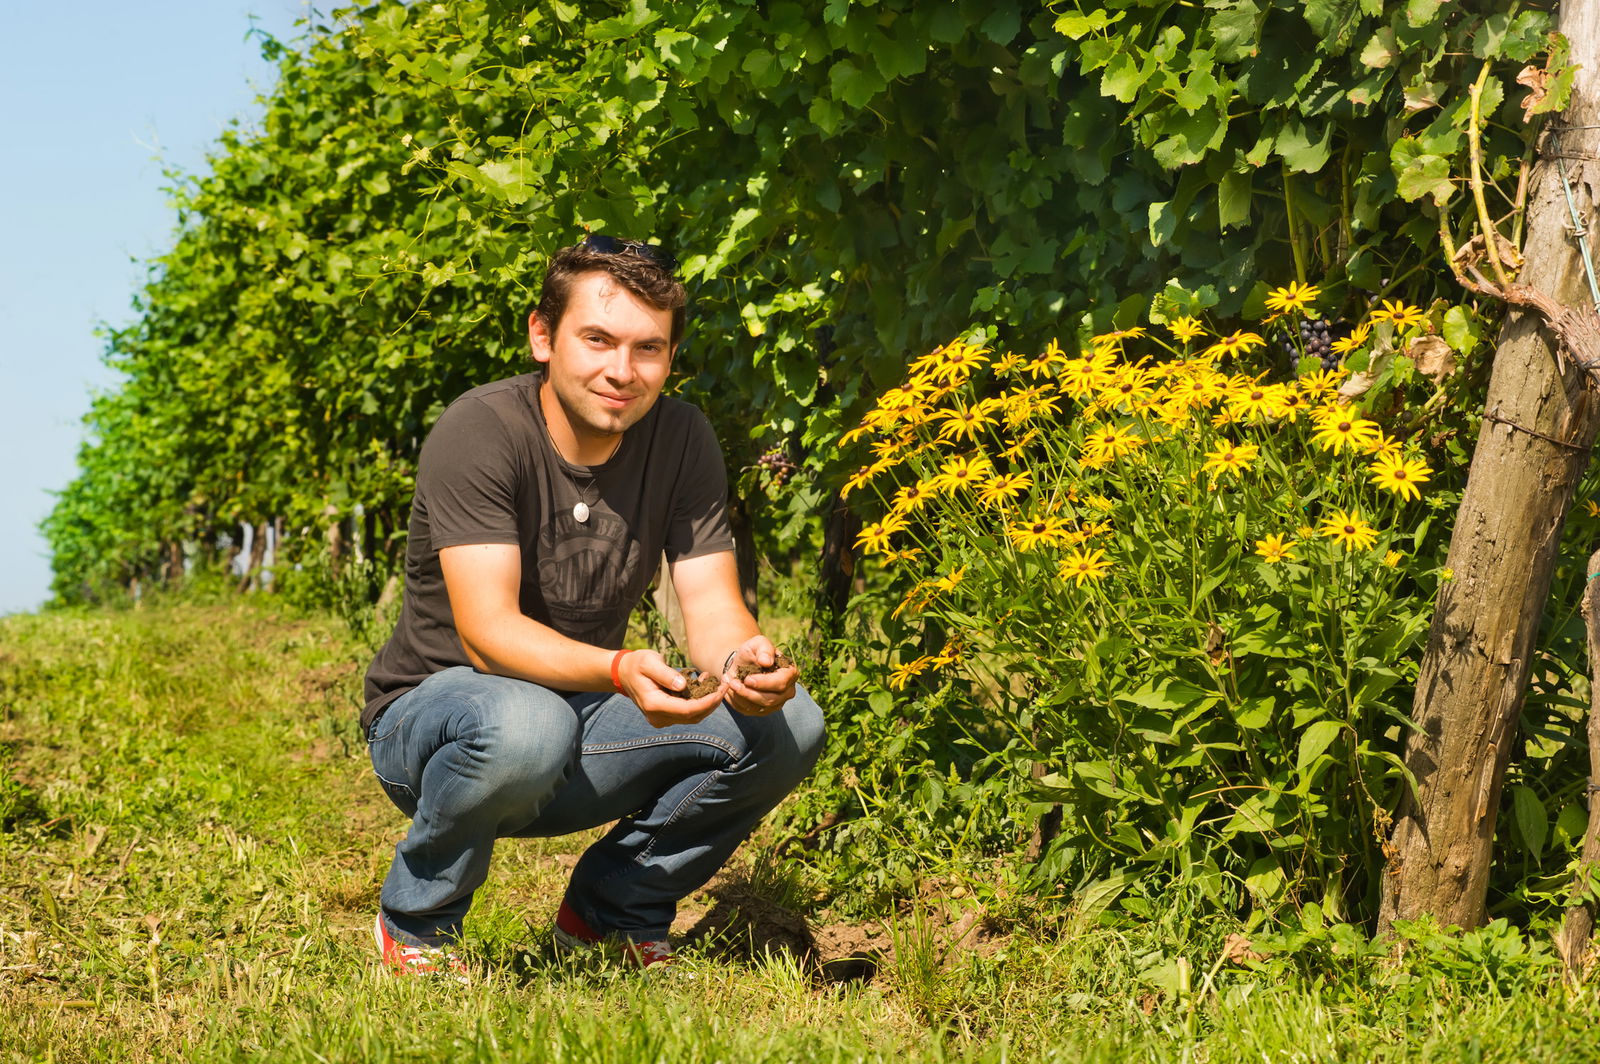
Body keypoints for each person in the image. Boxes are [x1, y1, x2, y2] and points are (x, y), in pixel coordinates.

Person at [360, 234, 825, 975]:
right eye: (598, 340)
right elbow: (486, 635)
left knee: (791, 725)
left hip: (573, 715)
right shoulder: (482, 430)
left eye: (648, 348)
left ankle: (611, 913)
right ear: (543, 337)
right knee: (526, 721)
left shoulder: (681, 438)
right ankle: (419, 923)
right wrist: (617, 669)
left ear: (670, 357)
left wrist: (745, 663)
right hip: (435, 723)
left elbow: (709, 606)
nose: (622, 371)